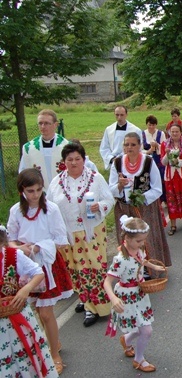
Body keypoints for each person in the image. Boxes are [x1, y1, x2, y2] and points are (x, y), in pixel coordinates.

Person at [7, 168, 74, 374]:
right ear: (22, 191)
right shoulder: (16, 211)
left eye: (38, 190)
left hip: (46, 265)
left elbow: (60, 240)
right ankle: (52, 342)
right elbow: (10, 238)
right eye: (30, 191)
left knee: (46, 313)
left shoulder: (50, 209)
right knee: (34, 310)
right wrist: (20, 249)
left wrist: (38, 247)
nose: (35, 195)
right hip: (25, 265)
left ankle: (54, 355)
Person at [47, 143, 115, 327]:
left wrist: (99, 207)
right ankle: (86, 300)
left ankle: (95, 308)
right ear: (64, 162)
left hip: (91, 233)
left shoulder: (95, 178)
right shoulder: (56, 182)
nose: (74, 163)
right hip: (69, 235)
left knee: (93, 268)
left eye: (78, 159)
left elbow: (109, 199)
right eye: (69, 159)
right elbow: (50, 208)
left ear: (84, 160)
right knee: (76, 269)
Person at [104, 216, 165, 373]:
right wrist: (113, 298)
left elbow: (142, 260)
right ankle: (139, 359)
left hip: (140, 294)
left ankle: (126, 339)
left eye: (143, 240)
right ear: (127, 238)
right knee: (146, 330)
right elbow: (107, 282)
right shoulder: (120, 259)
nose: (142, 244)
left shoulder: (139, 250)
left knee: (140, 327)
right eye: (138, 241)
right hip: (127, 297)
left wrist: (153, 267)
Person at [0, 225, 59, 377]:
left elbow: (38, 272)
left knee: (26, 354)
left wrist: (25, 289)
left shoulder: (13, 255)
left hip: (18, 314)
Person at [109, 132, 172, 266]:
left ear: (139, 146)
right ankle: (130, 269)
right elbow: (111, 188)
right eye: (126, 145)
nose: (129, 147)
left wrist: (141, 198)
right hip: (124, 208)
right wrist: (119, 185)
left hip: (146, 208)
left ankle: (150, 268)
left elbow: (157, 188)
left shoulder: (148, 161)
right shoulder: (118, 162)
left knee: (146, 238)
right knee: (128, 238)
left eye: (133, 144)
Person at [18, 109, 69, 190]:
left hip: (63, 192)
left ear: (55, 125)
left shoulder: (67, 147)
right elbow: (23, 173)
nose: (43, 126)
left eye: (47, 123)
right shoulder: (29, 148)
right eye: (40, 123)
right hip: (39, 194)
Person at [100, 106, 142, 170]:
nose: (119, 117)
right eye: (117, 115)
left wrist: (123, 157)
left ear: (126, 115)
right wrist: (111, 158)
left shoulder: (136, 130)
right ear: (114, 114)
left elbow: (139, 148)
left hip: (130, 161)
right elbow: (104, 147)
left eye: (122, 115)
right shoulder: (109, 130)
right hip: (113, 162)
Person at [142, 115, 167, 202]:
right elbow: (140, 149)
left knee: (160, 178)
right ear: (147, 125)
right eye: (149, 125)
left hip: (158, 159)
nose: (151, 127)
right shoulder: (143, 134)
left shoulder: (161, 134)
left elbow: (165, 147)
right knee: (149, 178)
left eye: (153, 125)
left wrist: (157, 146)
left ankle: (163, 198)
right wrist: (148, 151)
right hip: (146, 159)